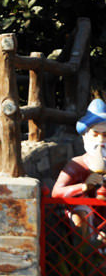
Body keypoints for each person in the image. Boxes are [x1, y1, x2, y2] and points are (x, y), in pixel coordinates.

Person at [52, 99, 106, 238]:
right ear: (85, 137)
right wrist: (83, 187)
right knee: (80, 212)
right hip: (89, 219)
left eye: (105, 135)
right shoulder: (78, 164)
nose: (101, 141)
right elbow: (56, 193)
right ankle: (85, 251)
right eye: (95, 134)